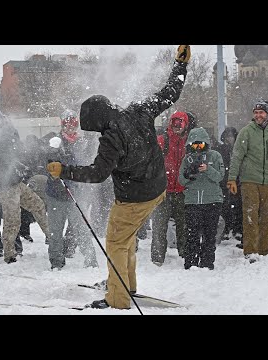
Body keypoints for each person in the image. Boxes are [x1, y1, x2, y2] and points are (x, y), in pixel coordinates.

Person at [46, 45, 190, 309]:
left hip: (133, 198)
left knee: (115, 242)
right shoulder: (139, 110)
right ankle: (126, 282)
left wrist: (63, 170)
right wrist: (180, 66)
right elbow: (170, 93)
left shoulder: (111, 139)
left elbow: (97, 174)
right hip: (157, 188)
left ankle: (117, 297)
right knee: (127, 239)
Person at [0, 107, 50, 264]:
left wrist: (22, 166)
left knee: (38, 205)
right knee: (13, 220)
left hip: (17, 182)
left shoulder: (10, 133)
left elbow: (17, 151)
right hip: (5, 186)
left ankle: (53, 238)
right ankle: (9, 254)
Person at [44, 110, 99, 269]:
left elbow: (88, 165)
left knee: (82, 230)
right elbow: (47, 165)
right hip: (56, 194)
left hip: (76, 195)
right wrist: (53, 157)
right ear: (62, 124)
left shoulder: (83, 143)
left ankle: (91, 262)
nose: (70, 127)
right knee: (55, 232)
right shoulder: (54, 142)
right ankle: (56, 263)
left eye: (73, 123)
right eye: (66, 123)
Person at [227, 100, 268, 263]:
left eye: (261, 112)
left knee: (267, 217)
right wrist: (232, 178)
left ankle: (264, 250)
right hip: (249, 180)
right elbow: (237, 156)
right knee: (250, 216)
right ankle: (251, 251)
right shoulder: (246, 132)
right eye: (255, 112)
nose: (258, 115)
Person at [178, 127, 224, 270]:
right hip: (193, 201)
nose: (198, 148)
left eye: (201, 144)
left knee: (210, 235)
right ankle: (190, 262)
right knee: (192, 234)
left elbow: (220, 177)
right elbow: (180, 180)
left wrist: (208, 169)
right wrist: (189, 174)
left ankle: (207, 263)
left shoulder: (215, 156)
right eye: (195, 145)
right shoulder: (187, 159)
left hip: (212, 202)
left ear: (207, 144)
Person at [151, 111, 189, 266]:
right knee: (159, 226)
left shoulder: (189, 142)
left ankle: (185, 254)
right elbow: (151, 161)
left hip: (182, 191)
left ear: (186, 125)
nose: (177, 126)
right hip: (163, 191)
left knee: (184, 225)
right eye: (174, 122)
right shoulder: (162, 140)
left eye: (180, 123)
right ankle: (157, 258)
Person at [214, 127, 243, 246]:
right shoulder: (220, 150)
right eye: (227, 136)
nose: (228, 139)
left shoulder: (238, 149)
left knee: (237, 205)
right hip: (224, 181)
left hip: (237, 180)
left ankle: (237, 229)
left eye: (231, 136)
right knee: (225, 206)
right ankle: (227, 229)